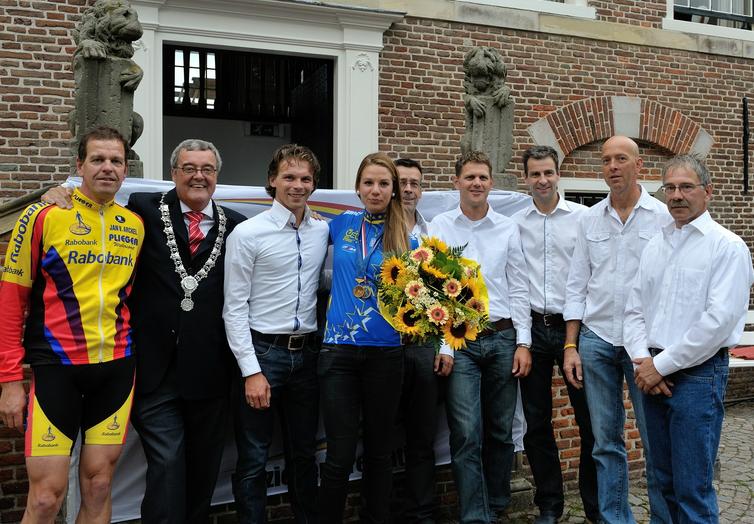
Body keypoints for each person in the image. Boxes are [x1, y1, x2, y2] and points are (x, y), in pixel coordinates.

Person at [41, 138, 246, 523]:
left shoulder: (238, 225)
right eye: (189, 168)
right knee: (167, 463)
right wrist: (58, 193)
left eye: (207, 169)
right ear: (173, 173)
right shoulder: (145, 211)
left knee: (204, 470)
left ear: (217, 175)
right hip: (154, 372)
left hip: (211, 373)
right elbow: (97, 199)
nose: (198, 176)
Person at [0, 126, 144, 523]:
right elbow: (11, 299)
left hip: (115, 367)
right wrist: (10, 380)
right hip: (56, 370)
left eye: (116, 161)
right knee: (46, 497)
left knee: (98, 485)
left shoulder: (134, 224)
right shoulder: (44, 215)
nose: (107, 168)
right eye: (97, 159)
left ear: (126, 169)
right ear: (79, 164)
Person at [624, 155, 754, 523]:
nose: (677, 195)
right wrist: (642, 360)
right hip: (650, 370)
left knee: (692, 488)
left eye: (686, 187)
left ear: (708, 192)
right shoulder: (656, 243)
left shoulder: (726, 247)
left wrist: (659, 366)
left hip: (697, 376)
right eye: (670, 188)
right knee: (661, 481)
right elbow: (634, 307)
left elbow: (718, 322)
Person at [562, 136, 672, 524]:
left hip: (642, 345)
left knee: (655, 438)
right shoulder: (588, 219)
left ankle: (663, 517)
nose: (612, 166)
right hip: (595, 339)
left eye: (621, 158)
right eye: (607, 160)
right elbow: (576, 285)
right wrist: (571, 346)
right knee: (605, 443)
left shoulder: (662, 217)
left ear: (638, 165)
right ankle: (614, 519)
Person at [223, 144, 328, 523]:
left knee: (304, 453)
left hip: (309, 356)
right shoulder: (248, 234)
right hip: (263, 354)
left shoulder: (322, 230)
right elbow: (233, 309)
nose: (297, 185)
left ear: (314, 184)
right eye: (289, 177)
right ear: (272, 180)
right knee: (253, 456)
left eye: (305, 178)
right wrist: (251, 371)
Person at [428, 150, 532, 524]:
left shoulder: (507, 228)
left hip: (503, 338)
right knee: (467, 433)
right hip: (461, 343)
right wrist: (443, 345)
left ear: (491, 183)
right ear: (456, 182)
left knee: (502, 431)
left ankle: (497, 505)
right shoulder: (439, 226)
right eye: (469, 177)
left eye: (483, 178)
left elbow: (519, 288)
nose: (476, 183)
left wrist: (524, 342)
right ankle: (475, 516)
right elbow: (433, 291)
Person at [318, 152, 412, 524]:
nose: (375, 190)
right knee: (338, 454)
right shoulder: (339, 225)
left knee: (378, 451)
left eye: (383, 184)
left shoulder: (409, 236)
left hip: (385, 354)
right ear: (357, 188)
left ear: (394, 190)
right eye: (369, 183)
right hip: (338, 352)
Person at [513, 146, 598, 524]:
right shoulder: (517, 222)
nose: (542, 180)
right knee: (536, 422)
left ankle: (594, 504)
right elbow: (514, 281)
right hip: (533, 326)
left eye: (548, 172)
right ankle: (550, 504)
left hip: (574, 330)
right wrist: (522, 341)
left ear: (558, 174)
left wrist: (572, 340)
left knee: (589, 421)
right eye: (535, 174)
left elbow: (590, 275)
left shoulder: (583, 219)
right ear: (526, 178)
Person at [394, 158, 453, 523]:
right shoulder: (369, 230)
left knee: (421, 438)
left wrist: (444, 345)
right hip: (382, 349)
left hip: (423, 349)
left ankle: (423, 513)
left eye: (415, 183)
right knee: (380, 438)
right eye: (402, 182)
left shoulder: (433, 235)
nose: (409, 189)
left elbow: (449, 294)